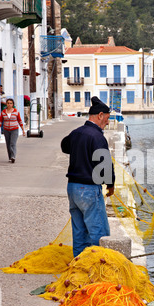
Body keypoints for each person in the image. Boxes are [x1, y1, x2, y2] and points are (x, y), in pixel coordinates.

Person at [61, 96, 115, 257]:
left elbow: (64, 146)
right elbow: (105, 166)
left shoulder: (77, 133)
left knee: (79, 232)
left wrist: (80, 148)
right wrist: (110, 185)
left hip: (73, 188)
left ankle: (79, 265)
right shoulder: (97, 137)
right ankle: (99, 267)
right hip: (89, 189)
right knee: (99, 231)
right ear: (99, 115)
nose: (107, 122)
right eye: (107, 118)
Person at [0, 98, 25, 162]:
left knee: (13, 143)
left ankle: (13, 156)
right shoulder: (3, 112)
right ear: (6, 104)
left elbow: (20, 121)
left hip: (14, 130)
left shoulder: (16, 111)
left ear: (13, 104)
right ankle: (10, 157)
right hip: (6, 130)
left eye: (10, 103)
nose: (9, 104)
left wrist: (23, 130)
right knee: (8, 144)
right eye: (8, 103)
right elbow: (0, 121)